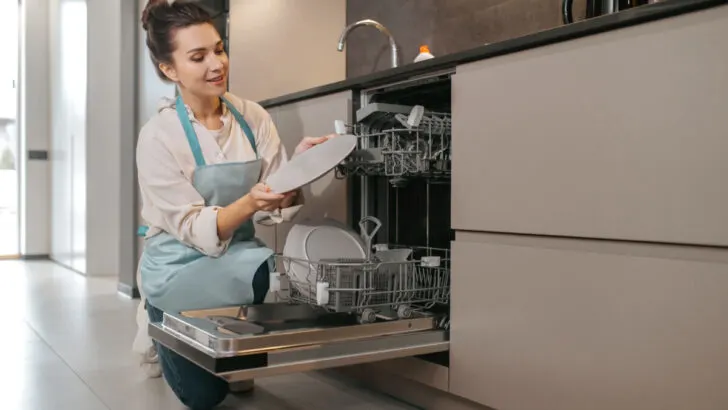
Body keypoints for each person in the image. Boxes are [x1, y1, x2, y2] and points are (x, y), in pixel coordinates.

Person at [134, 0, 334, 408]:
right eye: (198, 56)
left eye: (219, 49)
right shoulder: (158, 136)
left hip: (238, 259)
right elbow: (191, 227)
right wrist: (248, 200)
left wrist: (299, 168)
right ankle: (157, 314)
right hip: (177, 266)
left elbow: (273, 201)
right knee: (204, 397)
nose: (216, 64)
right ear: (169, 70)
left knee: (259, 273)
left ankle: (215, 339)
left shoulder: (253, 117)